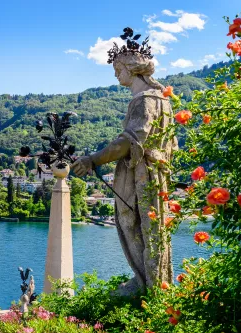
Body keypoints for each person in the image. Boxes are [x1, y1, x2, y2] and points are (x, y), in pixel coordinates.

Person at [72, 45, 178, 293]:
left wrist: (93, 159)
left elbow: (129, 141)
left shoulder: (144, 101)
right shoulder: (163, 100)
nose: (116, 75)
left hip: (140, 174)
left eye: (118, 69)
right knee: (152, 228)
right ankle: (153, 281)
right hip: (157, 174)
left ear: (131, 69)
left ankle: (145, 283)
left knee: (133, 223)